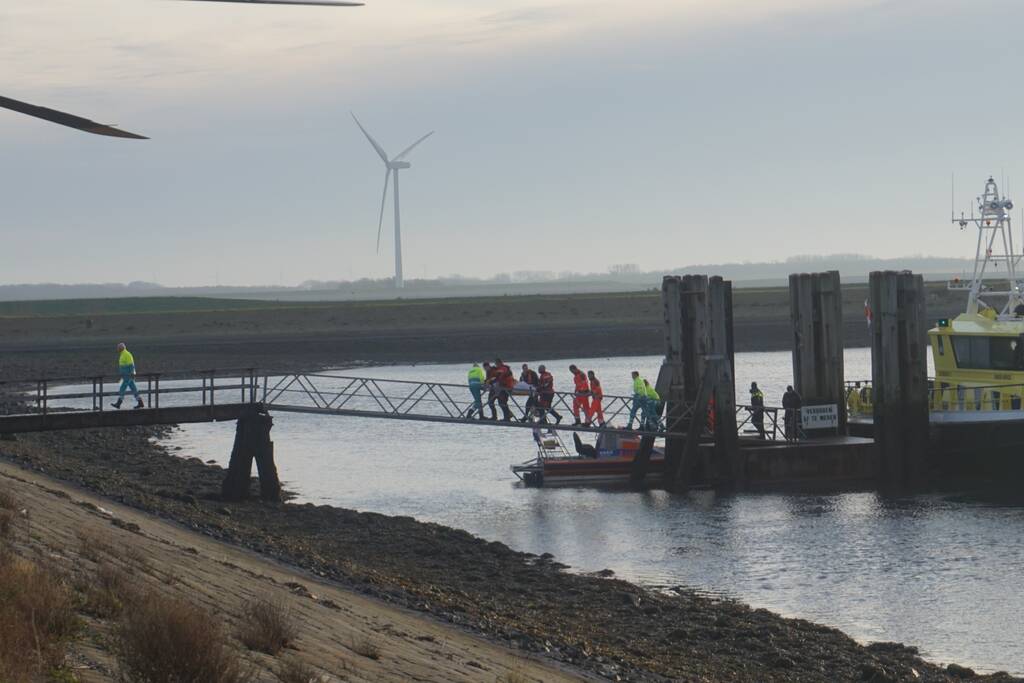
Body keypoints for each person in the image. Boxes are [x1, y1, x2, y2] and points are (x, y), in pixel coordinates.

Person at [112, 342, 144, 409]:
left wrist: (132, 373)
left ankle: (119, 403)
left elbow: (131, 365)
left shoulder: (126, 354)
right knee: (133, 388)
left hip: (128, 375)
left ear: (121, 348)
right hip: (126, 375)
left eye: (118, 347)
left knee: (122, 388)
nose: (117, 349)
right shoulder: (123, 354)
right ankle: (140, 402)